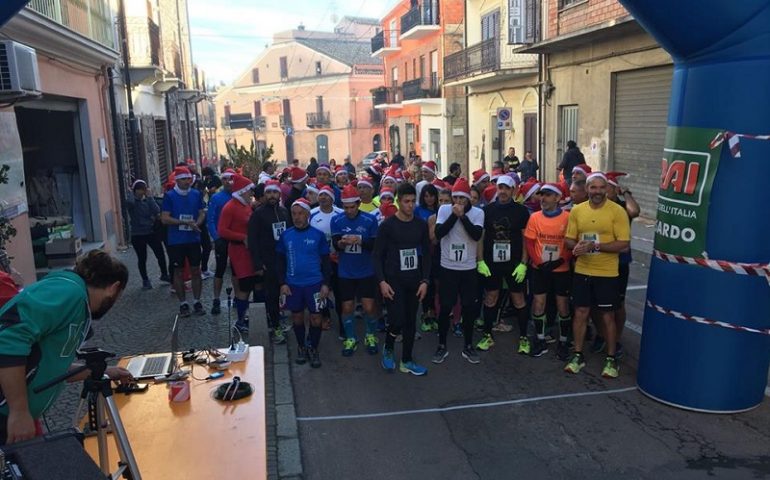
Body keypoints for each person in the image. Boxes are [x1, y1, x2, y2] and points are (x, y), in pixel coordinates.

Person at [0, 250, 132, 445]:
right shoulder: (69, 292)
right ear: (114, 288)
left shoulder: (77, 301)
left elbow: (54, 367)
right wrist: (19, 412)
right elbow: (7, 341)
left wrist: (104, 371)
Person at [563, 172, 631, 379]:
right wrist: (578, 248)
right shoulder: (577, 210)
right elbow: (568, 240)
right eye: (593, 188)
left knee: (607, 315)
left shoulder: (617, 211)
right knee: (581, 313)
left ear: (606, 190)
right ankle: (577, 354)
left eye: (602, 188)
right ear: (587, 190)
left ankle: (611, 359)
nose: (598, 192)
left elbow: (624, 244)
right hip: (583, 270)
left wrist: (597, 246)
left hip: (607, 273)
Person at [373, 183, 431, 376]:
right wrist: (382, 281)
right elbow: (377, 255)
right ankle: (388, 349)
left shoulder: (421, 225)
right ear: (398, 202)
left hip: (413, 279)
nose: (410, 205)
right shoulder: (388, 226)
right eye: (406, 201)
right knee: (397, 319)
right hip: (393, 279)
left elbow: (427, 255)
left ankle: (406, 360)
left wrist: (425, 281)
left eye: (413, 201)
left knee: (410, 322)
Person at [476, 175, 530, 353]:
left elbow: (525, 239)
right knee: (491, 297)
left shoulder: (521, 211)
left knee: (518, 299)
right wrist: (481, 260)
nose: (503, 191)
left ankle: (524, 338)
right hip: (492, 262)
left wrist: (524, 263)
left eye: (507, 188)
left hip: (514, 262)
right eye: (500, 187)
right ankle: (487, 336)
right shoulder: (487, 210)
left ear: (513, 190)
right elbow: (481, 238)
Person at [433, 178, 485, 365]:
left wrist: (462, 217)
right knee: (445, 306)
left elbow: (476, 235)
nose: (458, 202)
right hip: (448, 267)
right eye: (455, 198)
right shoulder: (445, 209)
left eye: (462, 199)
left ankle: (468, 345)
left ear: (468, 199)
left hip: (468, 268)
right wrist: (454, 215)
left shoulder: (478, 213)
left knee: (469, 307)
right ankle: (441, 345)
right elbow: (439, 234)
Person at [277, 198, 332, 368]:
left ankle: (313, 348)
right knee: (297, 318)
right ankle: (301, 346)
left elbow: (327, 262)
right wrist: (282, 283)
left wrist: (326, 284)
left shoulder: (318, 235)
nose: (297, 217)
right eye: (294, 214)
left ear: (308, 214)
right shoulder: (286, 235)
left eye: (301, 213)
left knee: (316, 318)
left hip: (314, 284)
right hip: (293, 285)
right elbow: (279, 262)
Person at [591, 172, 640, 358]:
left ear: (613, 189)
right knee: (594, 303)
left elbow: (635, 211)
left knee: (617, 305)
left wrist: (626, 193)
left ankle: (616, 339)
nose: (602, 191)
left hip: (619, 264)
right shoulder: (594, 206)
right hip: (596, 262)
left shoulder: (622, 207)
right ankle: (601, 334)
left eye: (606, 187)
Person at [524, 183, 573, 359]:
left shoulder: (567, 218)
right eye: (542, 195)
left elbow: (570, 242)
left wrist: (561, 260)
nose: (543, 199)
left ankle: (563, 342)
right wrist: (538, 262)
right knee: (539, 303)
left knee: (563, 306)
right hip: (540, 269)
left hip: (561, 269)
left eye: (548, 195)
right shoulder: (535, 217)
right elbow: (529, 242)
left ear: (558, 198)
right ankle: (540, 339)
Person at [331, 185, 380, 356]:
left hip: (366, 271)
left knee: (368, 306)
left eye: (352, 207)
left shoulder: (369, 220)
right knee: (347, 307)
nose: (349, 211)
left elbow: (375, 245)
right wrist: (342, 244)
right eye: (346, 208)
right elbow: (335, 243)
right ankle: (350, 337)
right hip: (346, 272)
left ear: (358, 204)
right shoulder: (336, 220)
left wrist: (359, 242)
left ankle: (370, 334)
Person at [247, 180, 290, 344]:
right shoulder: (258, 214)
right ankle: (275, 327)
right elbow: (252, 241)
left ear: (279, 194)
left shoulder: (285, 212)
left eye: (275, 193)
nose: (272, 196)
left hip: (284, 261)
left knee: (283, 293)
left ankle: (281, 319)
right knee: (271, 296)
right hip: (268, 262)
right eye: (269, 193)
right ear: (264, 195)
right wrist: (257, 264)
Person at [161, 166, 207, 317]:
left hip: (193, 239)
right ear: (177, 180)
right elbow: (165, 218)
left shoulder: (196, 194)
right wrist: (184, 223)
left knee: (196, 270)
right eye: (183, 179)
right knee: (178, 271)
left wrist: (198, 223)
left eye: (188, 179)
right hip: (176, 241)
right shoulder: (169, 196)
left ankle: (197, 301)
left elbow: (201, 213)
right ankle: (183, 303)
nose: (187, 182)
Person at [217, 175, 258, 333]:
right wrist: (243, 237)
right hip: (239, 251)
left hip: (249, 251)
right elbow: (222, 230)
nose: (251, 194)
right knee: (244, 287)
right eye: (249, 191)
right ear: (242, 191)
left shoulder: (246, 205)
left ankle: (247, 316)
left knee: (251, 283)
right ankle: (240, 320)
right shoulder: (230, 207)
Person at [310, 186, 343, 332]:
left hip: (338, 259)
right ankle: (325, 316)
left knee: (339, 291)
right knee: (321, 290)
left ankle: (342, 320)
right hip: (319, 260)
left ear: (332, 198)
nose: (323, 198)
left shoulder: (340, 213)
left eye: (326, 195)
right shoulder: (312, 214)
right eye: (321, 195)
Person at [125, 179, 169, 289]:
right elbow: (130, 203)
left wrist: (150, 197)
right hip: (137, 234)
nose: (141, 192)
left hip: (150, 232)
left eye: (143, 189)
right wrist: (130, 192)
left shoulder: (148, 201)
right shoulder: (132, 203)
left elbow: (156, 210)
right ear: (135, 190)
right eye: (139, 190)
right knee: (142, 258)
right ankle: (145, 280)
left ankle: (164, 274)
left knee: (160, 254)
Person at [206, 169, 235, 314]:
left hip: (235, 238)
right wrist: (216, 238)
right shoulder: (216, 198)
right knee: (220, 269)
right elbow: (210, 220)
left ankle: (238, 298)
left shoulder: (238, 196)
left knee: (237, 270)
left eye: (231, 179)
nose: (228, 182)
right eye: (225, 179)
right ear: (222, 181)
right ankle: (216, 299)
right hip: (221, 239)